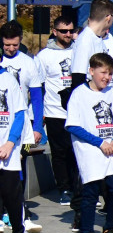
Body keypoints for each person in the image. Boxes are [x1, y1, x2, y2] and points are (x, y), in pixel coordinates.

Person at [65, 53, 113, 233]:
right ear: (91, 71)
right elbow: (73, 126)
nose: (107, 78)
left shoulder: (112, 92)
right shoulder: (79, 94)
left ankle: (109, 230)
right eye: (103, 73)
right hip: (91, 151)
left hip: (112, 151)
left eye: (110, 74)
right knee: (91, 194)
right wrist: (100, 142)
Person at [36, 15, 77, 209]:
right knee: (59, 153)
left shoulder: (78, 50)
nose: (68, 34)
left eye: (70, 31)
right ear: (55, 32)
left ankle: (77, 187)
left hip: (76, 112)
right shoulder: (44, 56)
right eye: (63, 31)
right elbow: (39, 85)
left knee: (75, 152)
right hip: (54, 112)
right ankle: (64, 189)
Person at [0, 63, 30, 233]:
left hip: (6, 152)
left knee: (12, 198)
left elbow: (20, 114)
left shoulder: (8, 79)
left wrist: (10, 143)